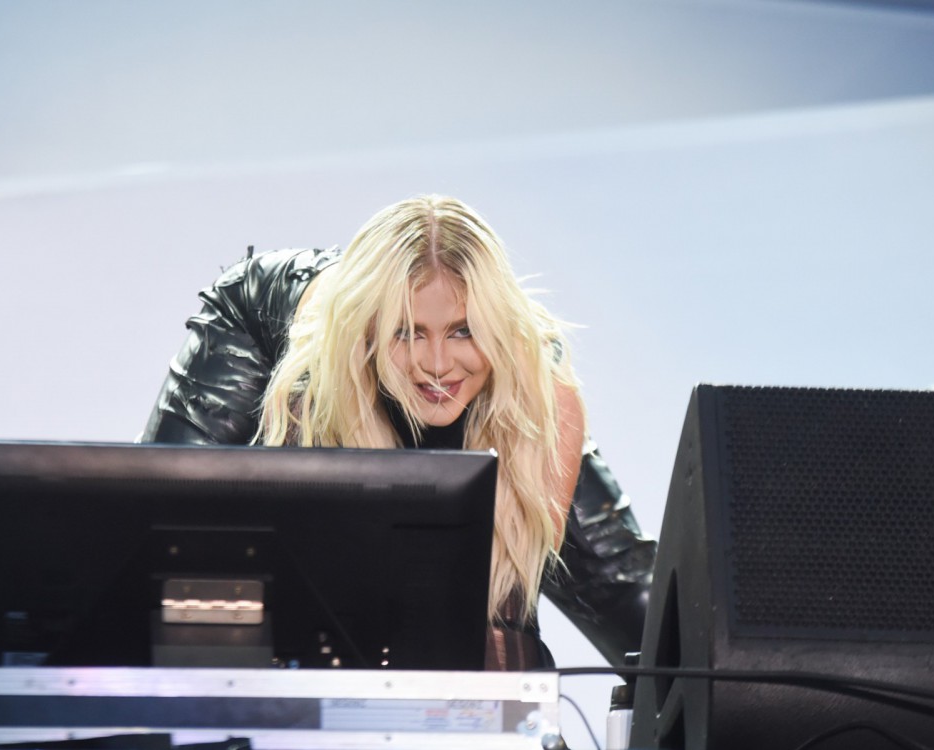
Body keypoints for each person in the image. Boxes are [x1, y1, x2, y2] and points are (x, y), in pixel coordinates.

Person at [142, 195, 655, 670]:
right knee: (163, 556)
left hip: (498, 404)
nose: (437, 364)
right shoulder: (317, 361)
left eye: (463, 330)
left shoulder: (539, 389)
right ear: (368, 331)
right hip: (311, 370)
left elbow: (503, 622)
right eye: (407, 332)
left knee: (641, 619)